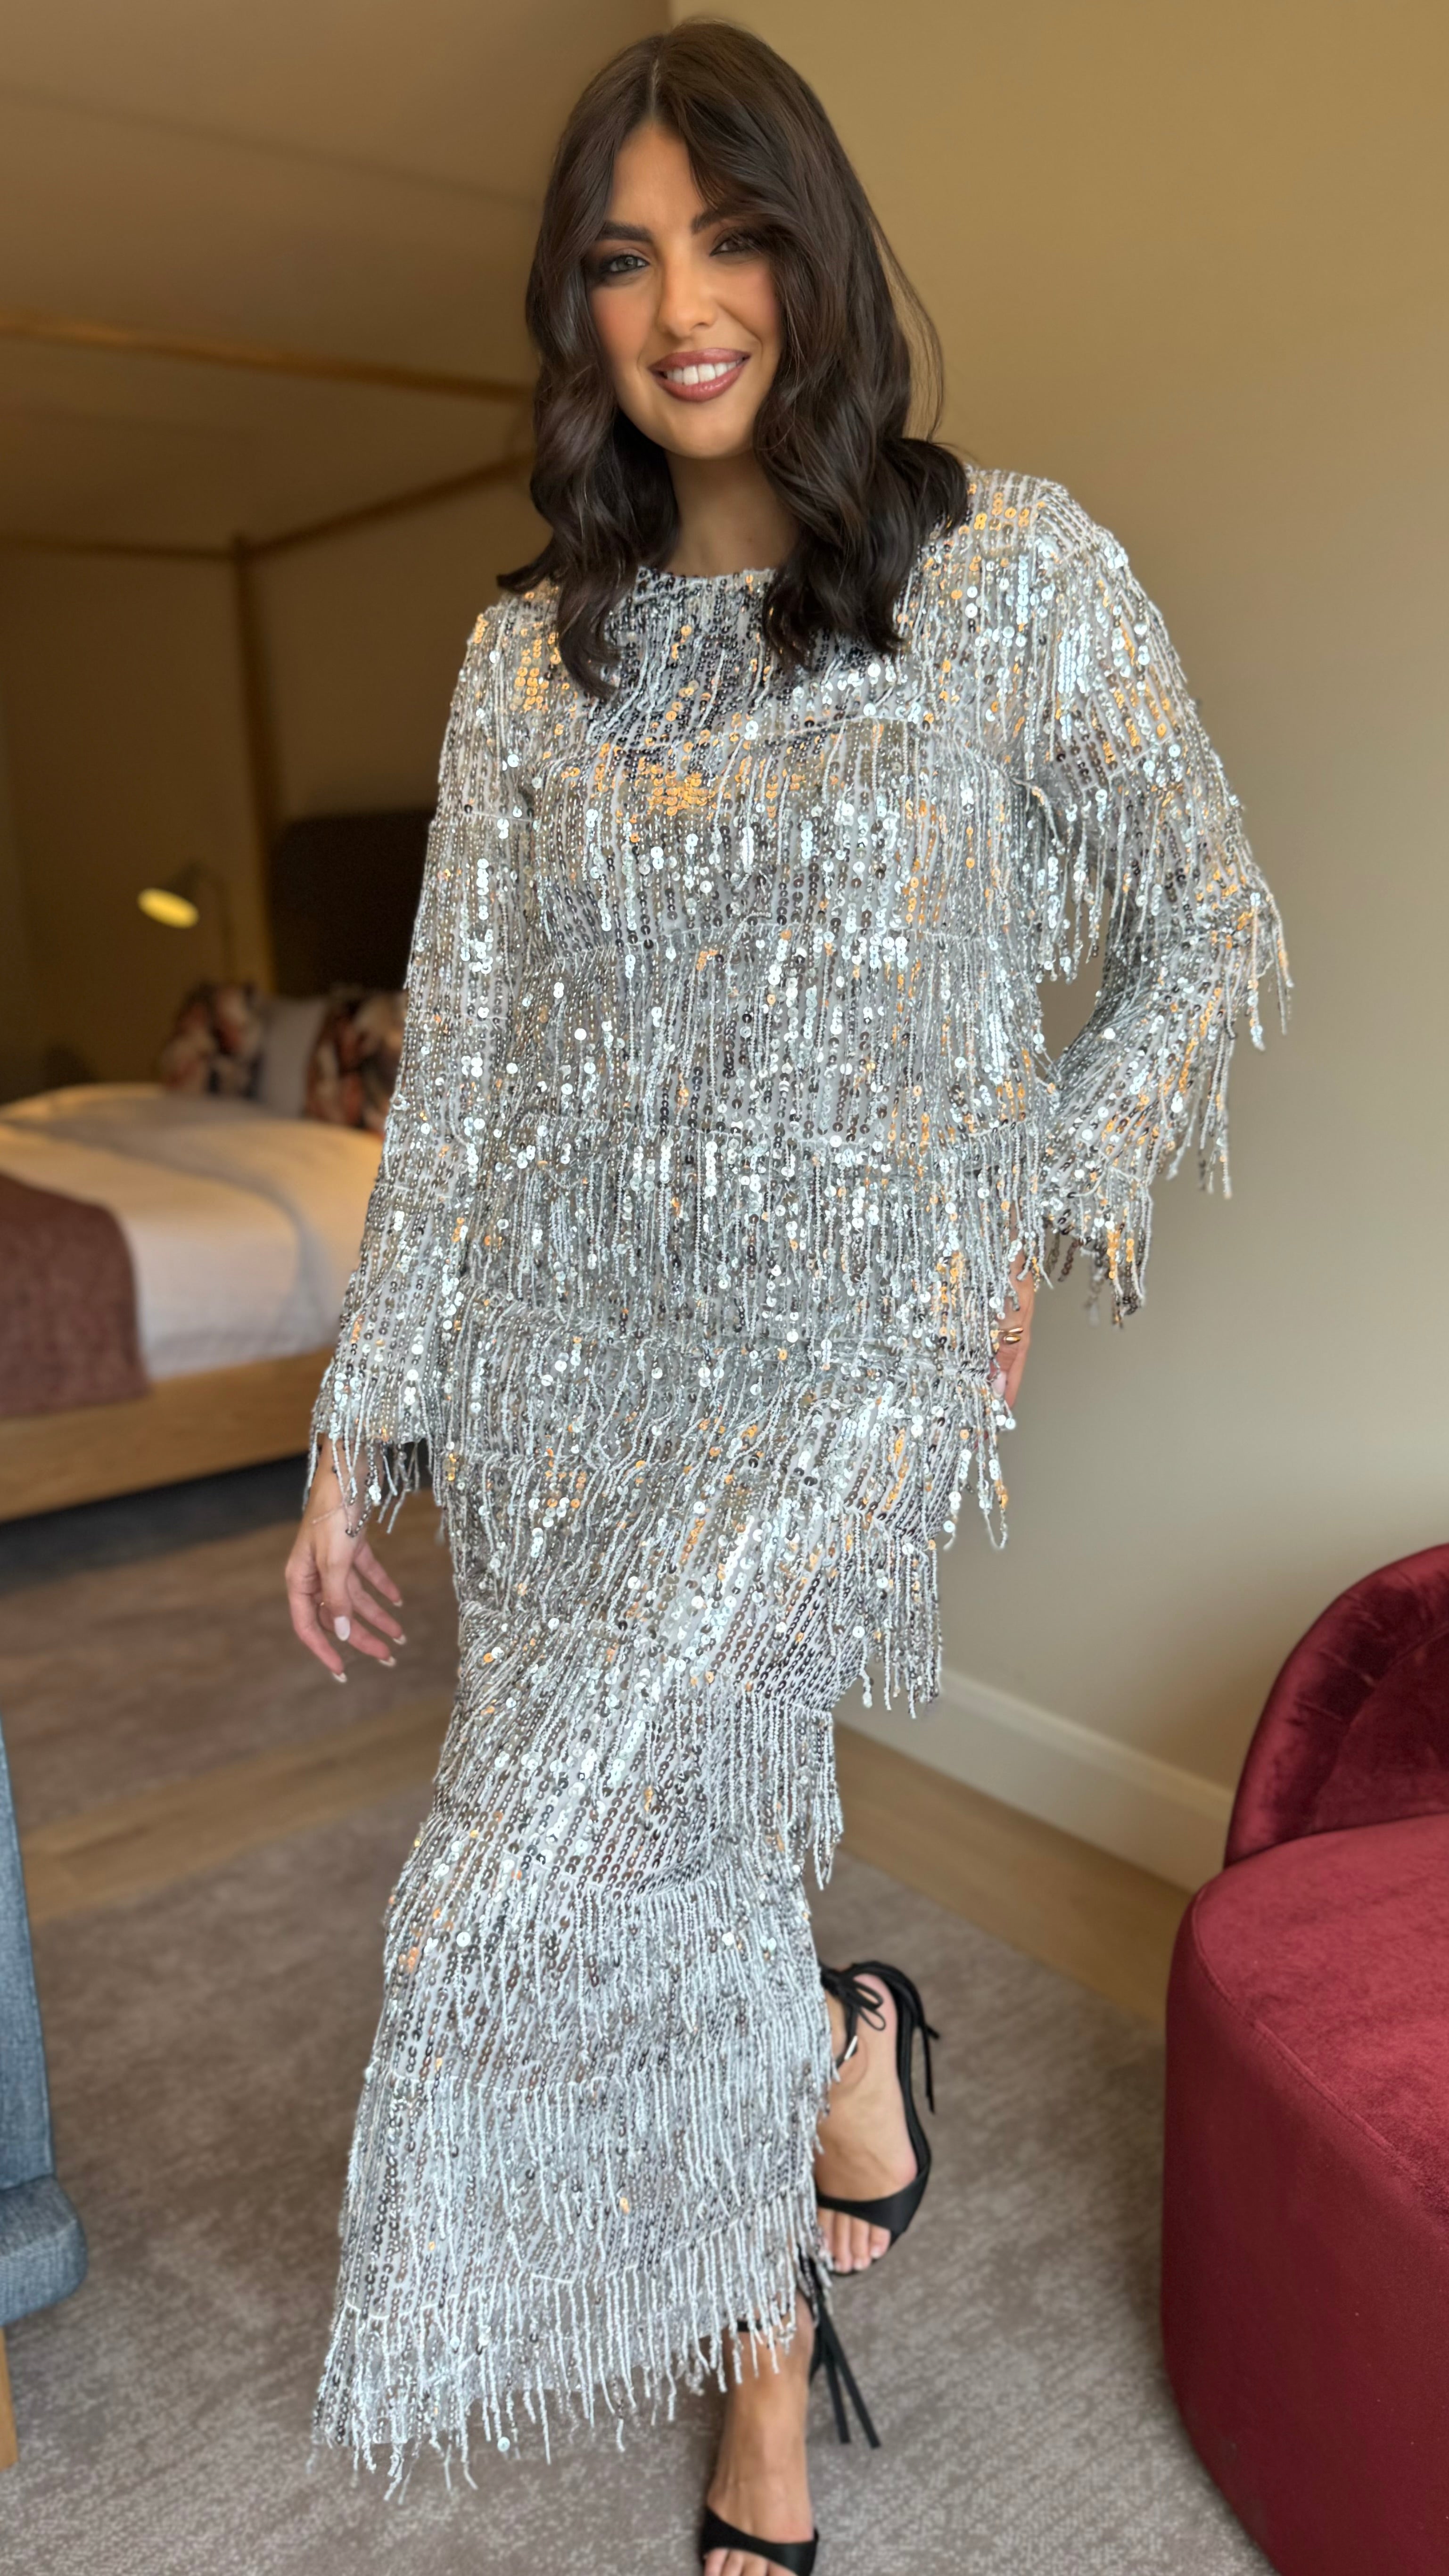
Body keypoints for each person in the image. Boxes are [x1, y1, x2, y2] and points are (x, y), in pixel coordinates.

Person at [284, 22, 1286, 2573]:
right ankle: (784, 2275)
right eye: (622, 261)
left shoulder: (1010, 572)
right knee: (697, 1863)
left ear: (815, 253)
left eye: (730, 240)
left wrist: (1034, 1199)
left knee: (521, 1886)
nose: (684, 308)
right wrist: (360, 1424)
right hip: (560, 1373)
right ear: (576, 308)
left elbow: (1205, 927)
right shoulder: (532, 660)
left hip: (849, 1363)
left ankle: (822, 2114)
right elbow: (464, 1069)